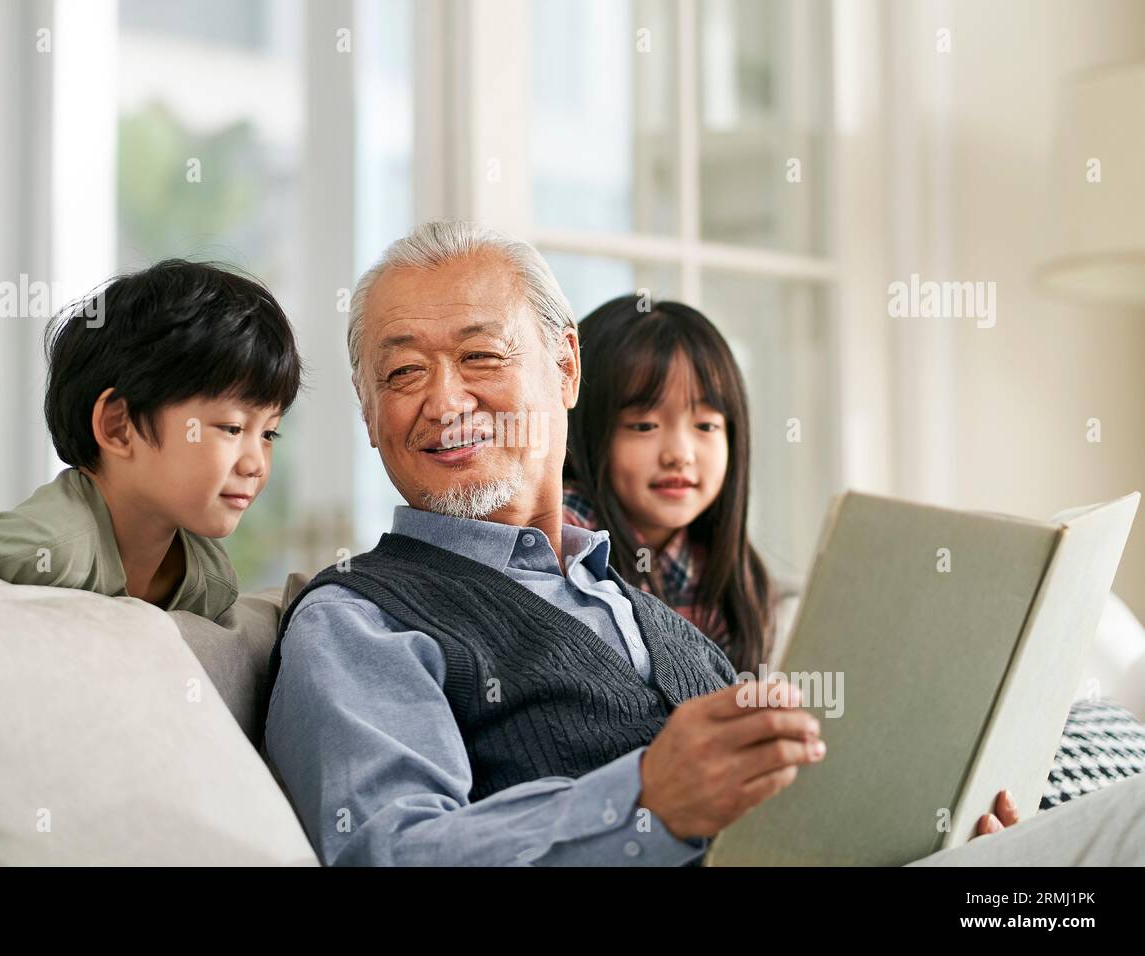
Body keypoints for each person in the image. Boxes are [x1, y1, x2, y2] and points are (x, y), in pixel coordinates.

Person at [263, 220, 1032, 866]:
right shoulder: (358, 622)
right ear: (369, 415)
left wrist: (939, 845)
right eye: (401, 372)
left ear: (565, 370)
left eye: (481, 356)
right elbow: (392, 855)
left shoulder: (630, 601)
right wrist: (644, 801)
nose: (445, 398)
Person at [0, 259, 302, 621]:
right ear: (118, 426)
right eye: (231, 429)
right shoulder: (51, 547)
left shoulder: (210, 578)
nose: (256, 463)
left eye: (268, 433)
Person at [564, 293, 772, 676]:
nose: (680, 454)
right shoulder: (564, 537)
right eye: (644, 426)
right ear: (582, 434)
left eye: (706, 425)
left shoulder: (726, 572)